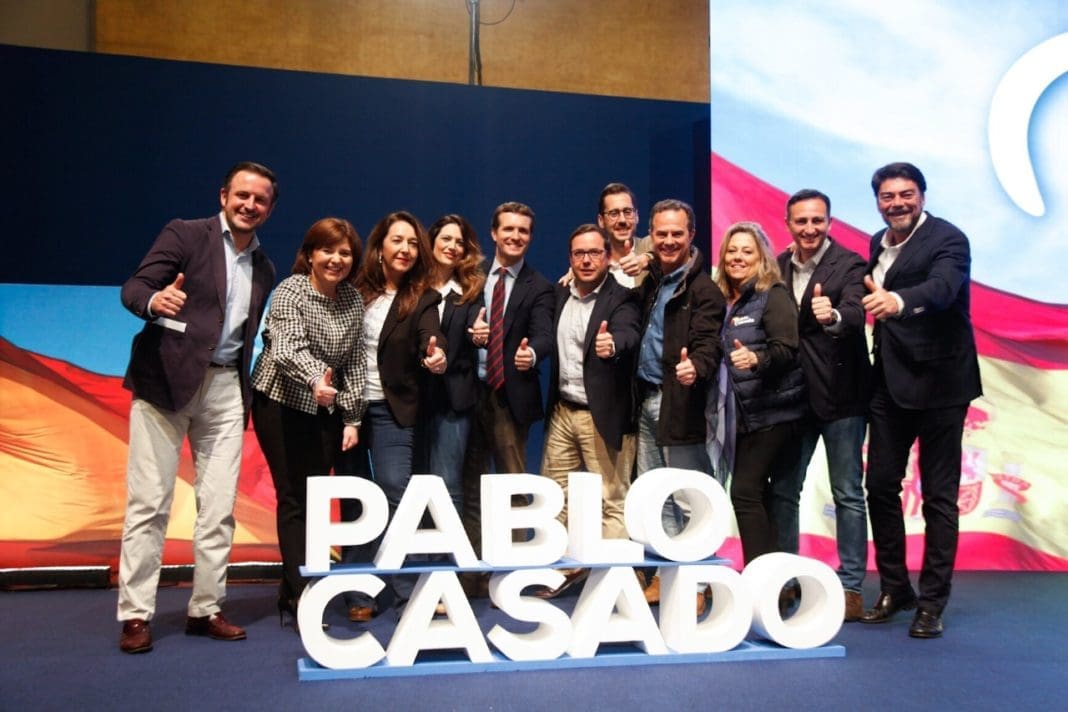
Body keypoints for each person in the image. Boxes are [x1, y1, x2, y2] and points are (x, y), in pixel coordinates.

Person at [116, 161, 277, 654]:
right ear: (224, 194)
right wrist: (153, 302)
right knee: (149, 503)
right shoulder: (185, 235)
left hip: (227, 389)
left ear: (269, 208)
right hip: (166, 383)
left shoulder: (265, 267)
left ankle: (206, 608)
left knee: (219, 507)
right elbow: (134, 288)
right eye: (243, 195)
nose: (250, 205)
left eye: (261, 200)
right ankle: (136, 614)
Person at [859, 162, 981, 639]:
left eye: (906, 195)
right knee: (880, 487)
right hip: (889, 384)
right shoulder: (877, 242)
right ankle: (895, 588)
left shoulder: (949, 240)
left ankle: (932, 602)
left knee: (939, 498)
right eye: (888, 197)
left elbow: (944, 290)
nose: (897, 204)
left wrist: (898, 303)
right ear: (878, 201)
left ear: (923, 196)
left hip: (941, 386)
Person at [250, 217, 366, 629]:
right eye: (327, 250)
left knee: (318, 498)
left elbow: (353, 363)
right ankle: (303, 598)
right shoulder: (290, 291)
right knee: (294, 496)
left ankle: (293, 585)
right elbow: (284, 346)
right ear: (311, 254)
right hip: (280, 401)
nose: (336, 259)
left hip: (326, 409)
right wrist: (316, 377)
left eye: (345, 252)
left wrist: (352, 417)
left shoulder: (353, 300)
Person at [339, 210, 447, 622]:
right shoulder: (353, 290)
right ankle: (355, 592)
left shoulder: (423, 298)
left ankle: (406, 590)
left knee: (394, 491)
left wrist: (435, 357)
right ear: (380, 246)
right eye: (396, 240)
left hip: (390, 409)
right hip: (346, 408)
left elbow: (429, 338)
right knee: (353, 499)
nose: (404, 248)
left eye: (412, 242)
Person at [770, 189, 871, 622]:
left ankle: (850, 586)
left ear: (829, 222)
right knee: (783, 490)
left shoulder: (849, 263)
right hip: (791, 397)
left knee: (848, 492)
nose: (809, 229)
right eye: (801, 222)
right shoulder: (775, 266)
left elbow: (855, 312)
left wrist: (833, 317)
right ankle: (785, 580)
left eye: (818, 221)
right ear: (789, 223)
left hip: (843, 395)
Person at [535, 224, 641, 598]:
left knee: (612, 500)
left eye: (594, 252)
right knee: (554, 497)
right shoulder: (559, 293)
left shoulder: (622, 297)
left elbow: (630, 332)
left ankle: (612, 588)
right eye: (579, 253)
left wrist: (614, 345)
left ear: (608, 256)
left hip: (604, 414)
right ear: (570, 258)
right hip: (564, 411)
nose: (586, 260)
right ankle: (561, 574)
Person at [634, 199, 725, 610]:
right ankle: (669, 577)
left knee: (690, 501)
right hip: (645, 403)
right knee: (659, 501)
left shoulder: (704, 289)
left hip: (681, 404)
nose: (668, 241)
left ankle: (701, 586)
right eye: (661, 233)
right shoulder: (650, 280)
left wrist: (696, 369)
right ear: (650, 236)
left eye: (676, 233)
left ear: (691, 236)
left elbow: (708, 344)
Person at [461, 201, 554, 596]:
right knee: (471, 487)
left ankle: (515, 573)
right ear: (494, 233)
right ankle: (474, 573)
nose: (516, 236)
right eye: (509, 229)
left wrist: (531, 354)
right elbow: (453, 323)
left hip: (509, 396)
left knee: (514, 487)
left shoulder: (540, 286)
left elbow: (545, 334)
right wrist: (469, 333)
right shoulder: (469, 277)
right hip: (467, 394)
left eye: (524, 231)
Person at [714, 222, 806, 567]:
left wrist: (757, 359)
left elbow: (788, 350)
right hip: (742, 414)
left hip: (774, 413)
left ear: (761, 257)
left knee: (745, 492)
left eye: (746, 251)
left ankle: (759, 580)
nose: (737, 257)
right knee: (759, 494)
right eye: (732, 251)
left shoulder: (773, 294)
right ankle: (777, 578)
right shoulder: (725, 299)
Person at [415, 214, 485, 520]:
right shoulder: (413, 285)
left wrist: (481, 336)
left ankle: (447, 562)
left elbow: (476, 327)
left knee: (448, 482)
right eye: (446, 238)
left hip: (454, 400)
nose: (452, 246)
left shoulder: (470, 289)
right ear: (431, 242)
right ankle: (415, 559)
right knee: (414, 481)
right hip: (413, 398)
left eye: (459, 241)